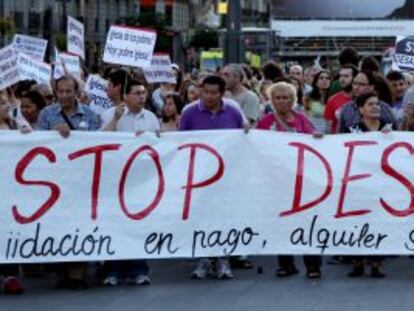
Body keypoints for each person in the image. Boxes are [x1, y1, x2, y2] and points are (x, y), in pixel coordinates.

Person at [180, 75, 244, 279]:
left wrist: (247, 131)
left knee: (223, 216)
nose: (209, 96)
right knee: (201, 216)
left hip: (228, 174)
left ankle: (224, 258)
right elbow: (180, 141)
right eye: (205, 92)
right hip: (199, 175)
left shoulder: (233, 112)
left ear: (222, 93)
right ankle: (203, 259)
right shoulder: (189, 113)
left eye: (214, 93)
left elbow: (243, 138)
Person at [256, 82, 322, 279]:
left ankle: (313, 266)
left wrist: (317, 138)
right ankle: (286, 264)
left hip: (303, 180)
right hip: (277, 181)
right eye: (278, 97)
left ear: (293, 100)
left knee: (308, 222)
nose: (282, 101)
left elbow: (314, 143)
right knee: (282, 223)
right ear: (272, 100)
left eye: (286, 97)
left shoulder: (302, 120)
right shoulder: (266, 122)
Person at [37, 75, 101, 136]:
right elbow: (39, 140)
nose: (64, 95)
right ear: (56, 93)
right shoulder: (46, 113)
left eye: (68, 91)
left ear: (76, 92)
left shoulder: (91, 115)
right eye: (61, 91)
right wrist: (53, 133)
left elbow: (95, 142)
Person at [324, 64, 358, 133]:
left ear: (355, 78)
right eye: (341, 76)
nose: (342, 79)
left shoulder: (364, 99)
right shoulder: (332, 100)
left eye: (346, 76)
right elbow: (328, 128)